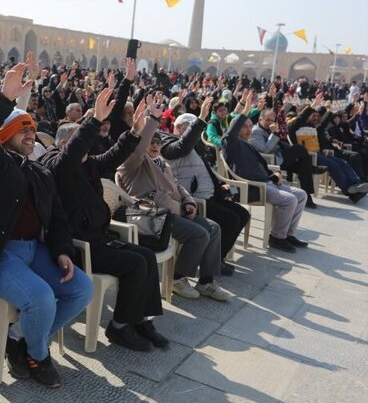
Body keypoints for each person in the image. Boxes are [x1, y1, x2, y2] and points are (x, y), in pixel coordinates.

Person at [0, 63, 93, 388]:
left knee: (82, 289)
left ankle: (18, 338)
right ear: (4, 136)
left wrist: (63, 251)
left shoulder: (39, 172)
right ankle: (38, 355)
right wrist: (3, 101)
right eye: (22, 129)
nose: (30, 134)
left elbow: (57, 219)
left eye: (32, 129)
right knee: (41, 297)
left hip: (34, 250)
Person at [39, 88, 168, 352]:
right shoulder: (55, 164)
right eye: (83, 144)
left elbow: (114, 155)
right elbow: (70, 156)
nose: (89, 150)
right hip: (78, 246)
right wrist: (94, 120)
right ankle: (119, 326)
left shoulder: (87, 163)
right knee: (134, 264)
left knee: (147, 257)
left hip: (100, 238)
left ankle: (141, 319)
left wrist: (135, 132)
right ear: (66, 143)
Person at [116, 95, 230, 302]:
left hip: (178, 209)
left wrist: (188, 201)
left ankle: (206, 281)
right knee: (199, 235)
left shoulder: (161, 162)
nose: (155, 146)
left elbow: (177, 185)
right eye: (151, 142)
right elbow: (140, 149)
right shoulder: (130, 164)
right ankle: (178, 278)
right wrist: (152, 120)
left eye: (158, 142)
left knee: (213, 228)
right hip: (155, 215)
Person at [159, 100, 250, 275]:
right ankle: (213, 262)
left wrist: (220, 184)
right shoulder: (168, 142)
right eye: (191, 127)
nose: (196, 132)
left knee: (242, 214)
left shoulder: (194, 145)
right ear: (178, 128)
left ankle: (217, 257)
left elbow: (205, 169)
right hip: (195, 198)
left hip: (211, 194)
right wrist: (200, 118)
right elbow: (182, 147)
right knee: (231, 219)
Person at [222, 101, 310, 253]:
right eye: (244, 126)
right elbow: (231, 133)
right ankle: (277, 237)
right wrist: (244, 112)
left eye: (250, 126)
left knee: (301, 195)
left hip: (267, 182)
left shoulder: (248, 144)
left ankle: (288, 234)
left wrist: (274, 173)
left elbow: (261, 165)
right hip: (253, 186)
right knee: (289, 200)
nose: (249, 129)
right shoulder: (231, 143)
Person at [250, 108, 325, 208]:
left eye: (272, 120)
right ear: (260, 119)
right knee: (299, 148)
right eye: (267, 120)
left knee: (304, 166)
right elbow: (266, 150)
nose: (270, 123)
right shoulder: (256, 132)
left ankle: (307, 196)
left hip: (279, 157)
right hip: (271, 161)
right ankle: (312, 168)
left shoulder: (267, 129)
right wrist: (275, 133)